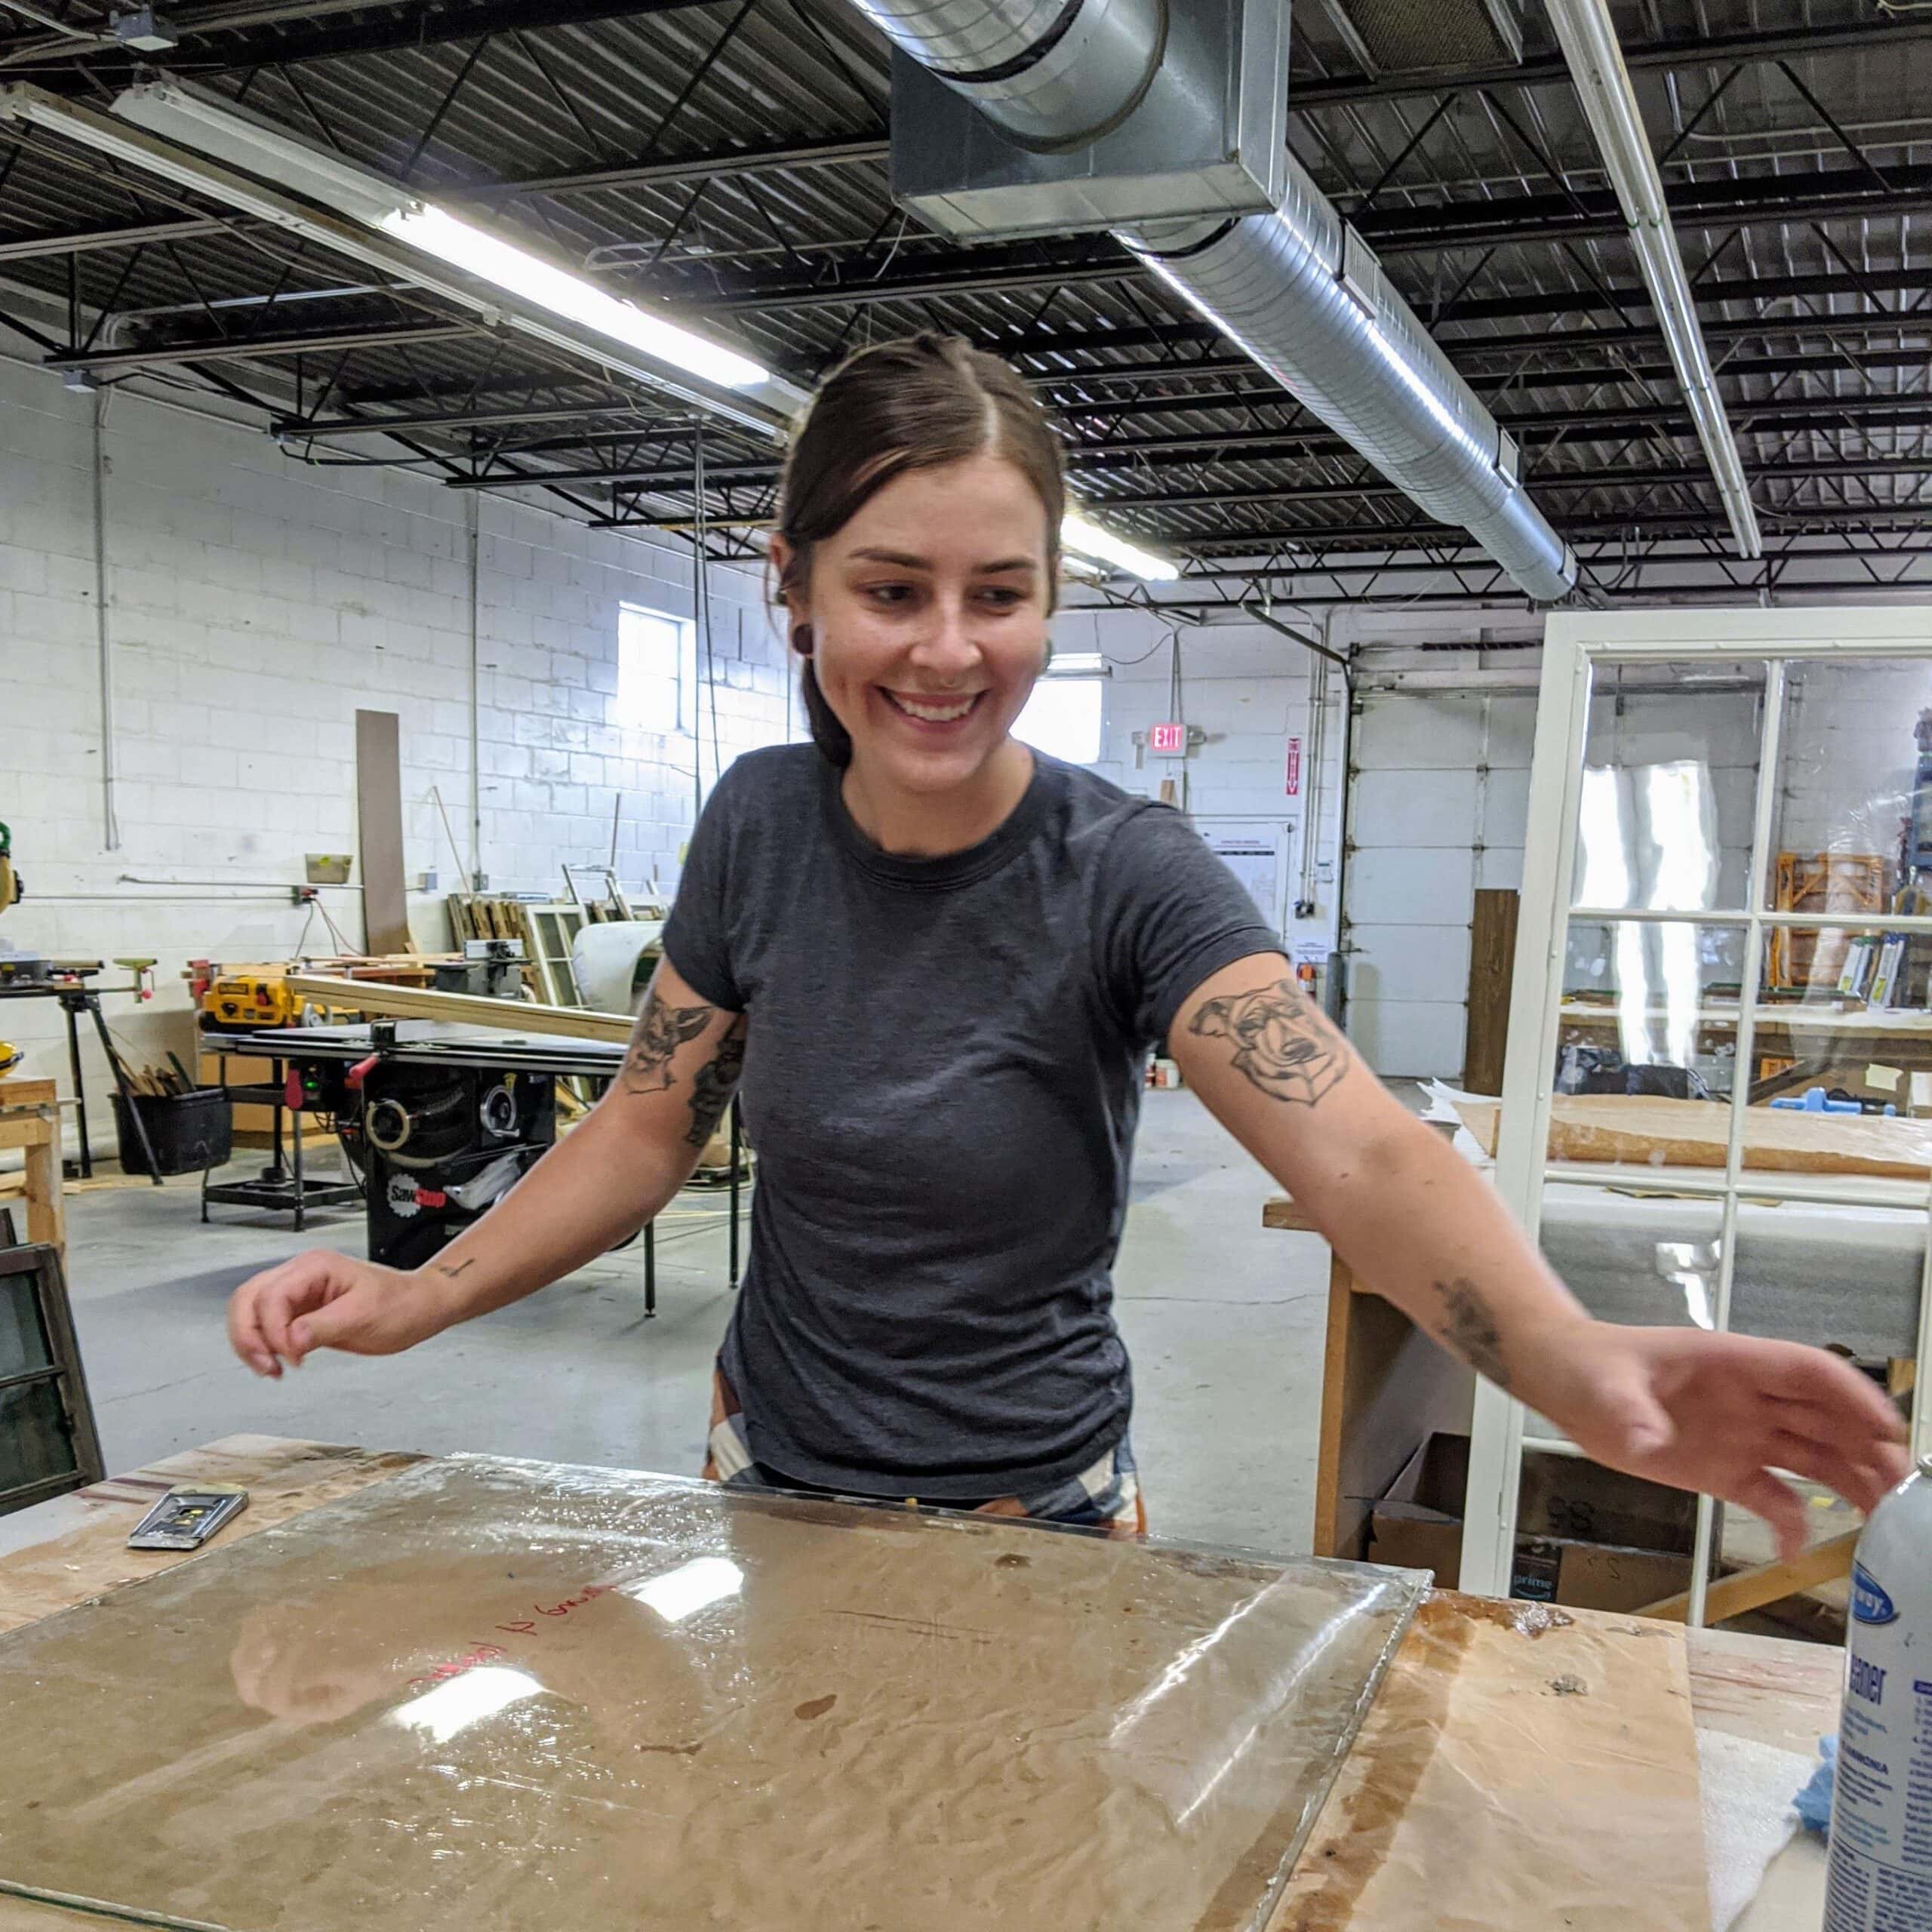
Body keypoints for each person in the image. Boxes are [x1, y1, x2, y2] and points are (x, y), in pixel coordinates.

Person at [228, 333, 1906, 1552]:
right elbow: (644, 1121)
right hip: (766, 1474)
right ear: (791, 584)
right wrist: (416, 1292)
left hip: (1031, 1504)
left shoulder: (1125, 870)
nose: (948, 651)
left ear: (1051, 595)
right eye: (891, 589)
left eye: (1001, 593)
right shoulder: (752, 823)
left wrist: (1568, 1348)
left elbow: (1362, 1152)